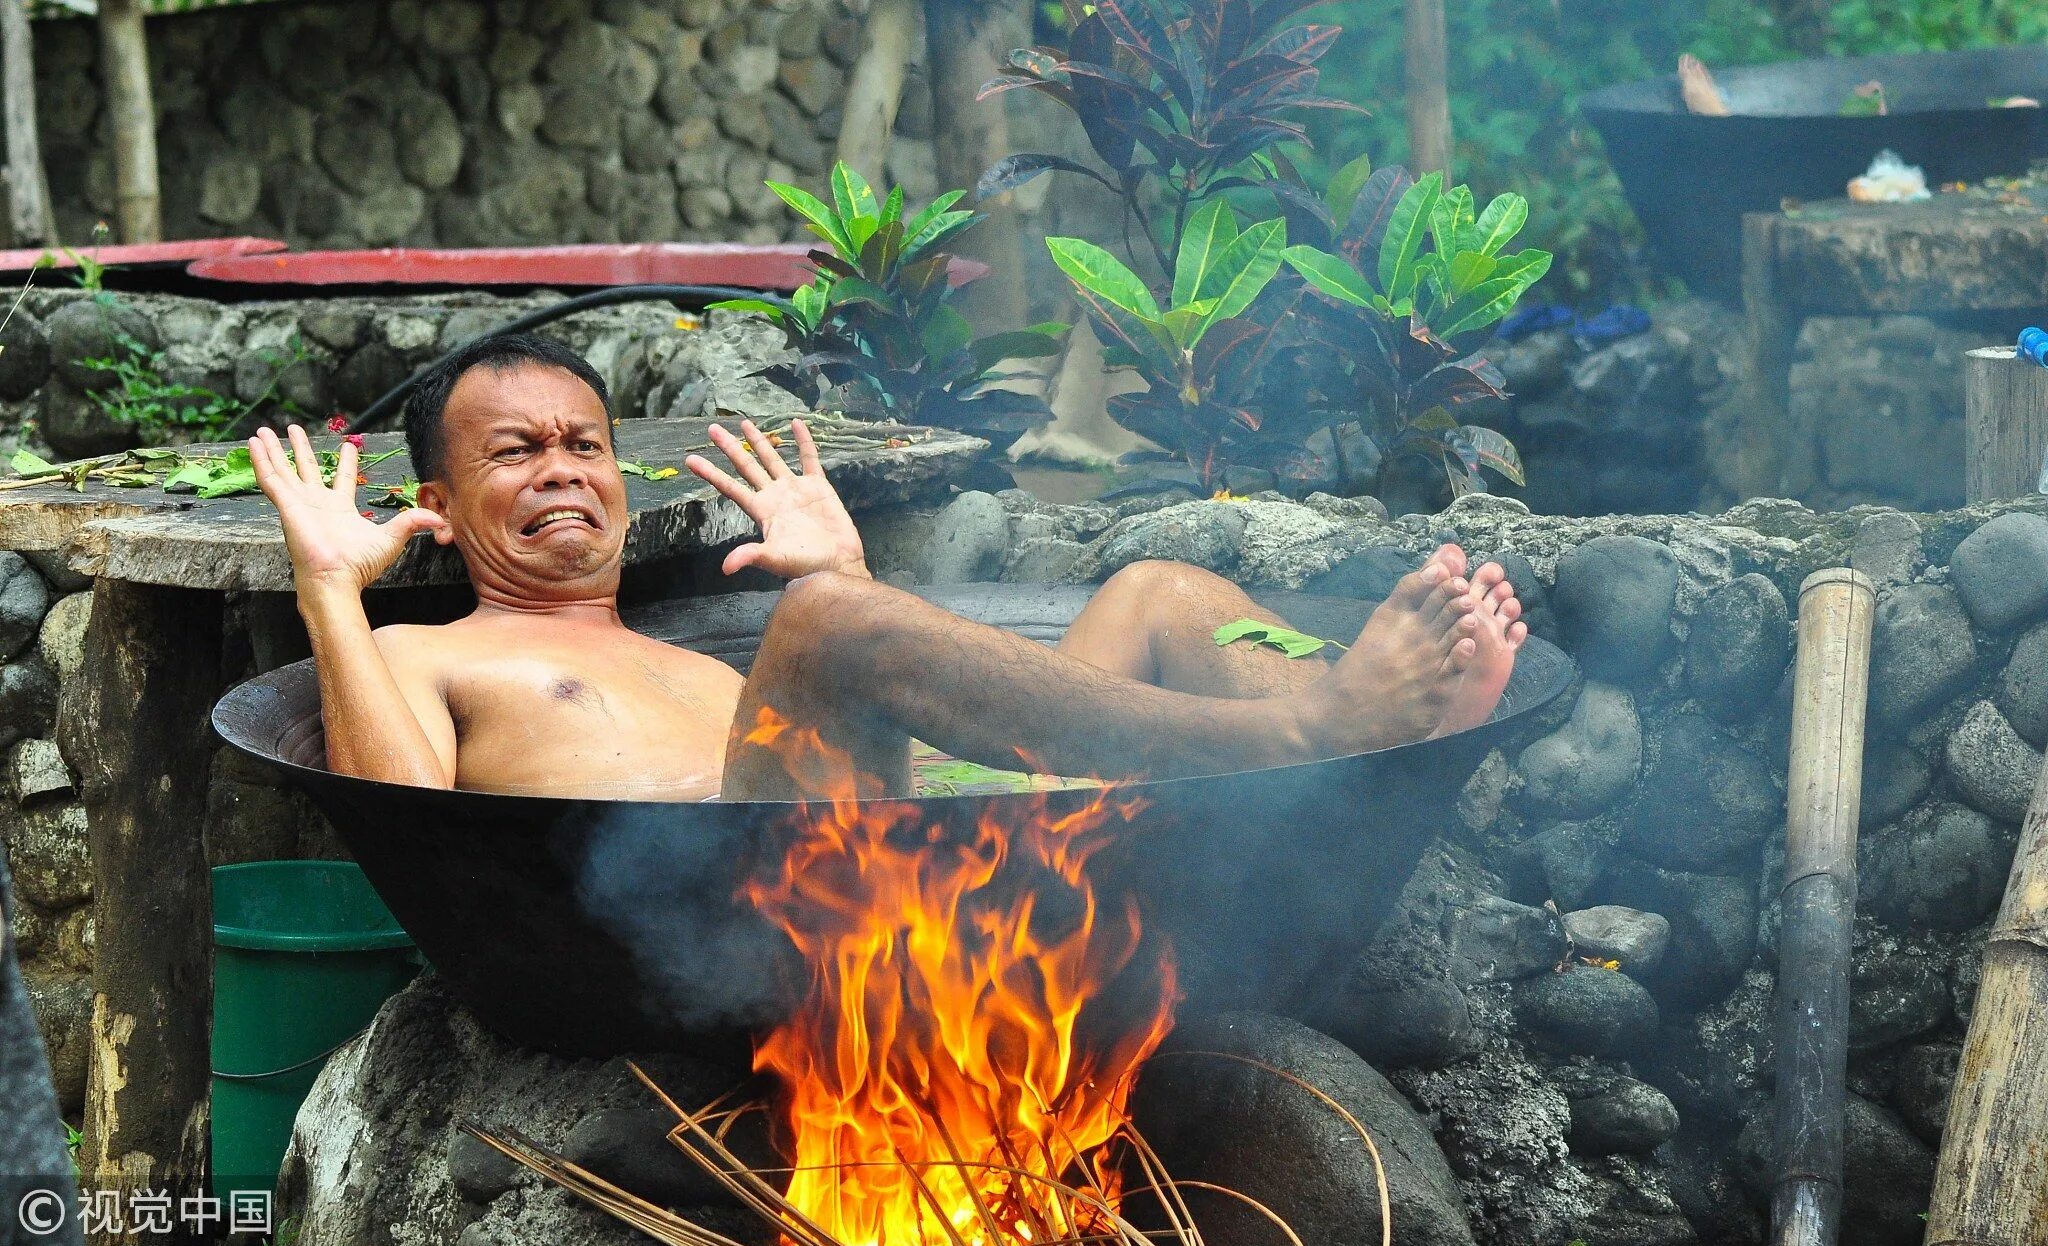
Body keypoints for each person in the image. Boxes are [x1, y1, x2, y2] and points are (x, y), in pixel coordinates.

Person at [250, 335, 1525, 802]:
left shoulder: (675, 653)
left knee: (1155, 589)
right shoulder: (425, 655)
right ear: (437, 502)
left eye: (585, 445)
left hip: (915, 817)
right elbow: (395, 803)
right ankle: (1307, 730)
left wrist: (853, 577)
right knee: (814, 622)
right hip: (726, 898)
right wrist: (330, 590)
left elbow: (878, 746)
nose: (563, 470)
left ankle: (1382, 768)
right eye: (516, 453)